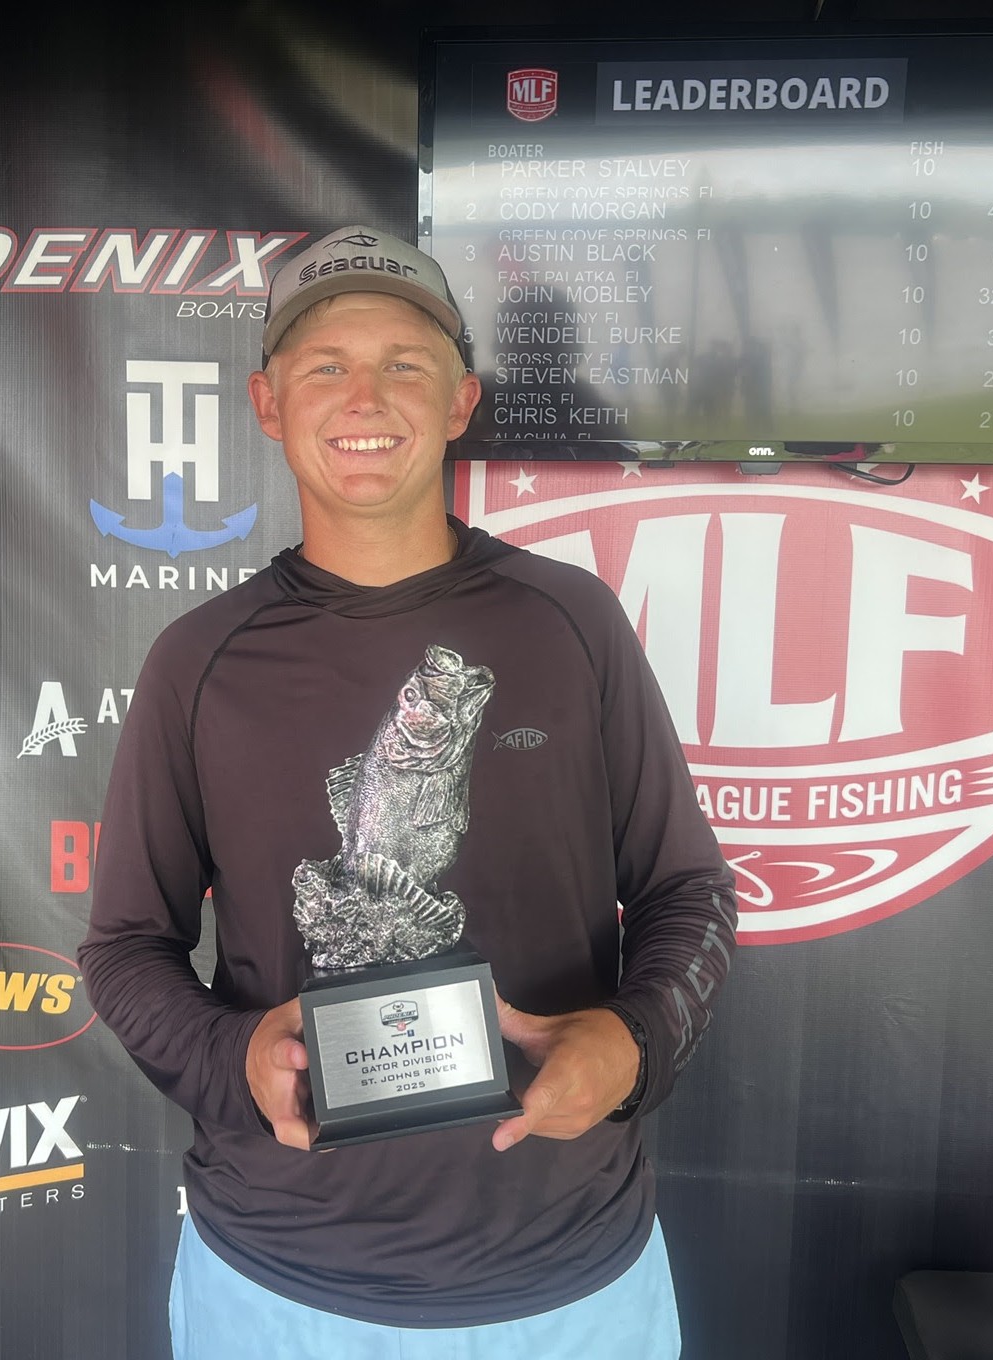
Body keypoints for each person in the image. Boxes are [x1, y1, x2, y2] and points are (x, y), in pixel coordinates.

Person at [78, 225, 737, 1359]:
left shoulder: (571, 624)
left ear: (461, 400)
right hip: (277, 1283)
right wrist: (233, 1062)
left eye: (404, 364)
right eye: (325, 366)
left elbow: (691, 892)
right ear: (267, 402)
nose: (364, 397)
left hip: (572, 1278)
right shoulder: (199, 659)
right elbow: (125, 948)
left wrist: (633, 1046)